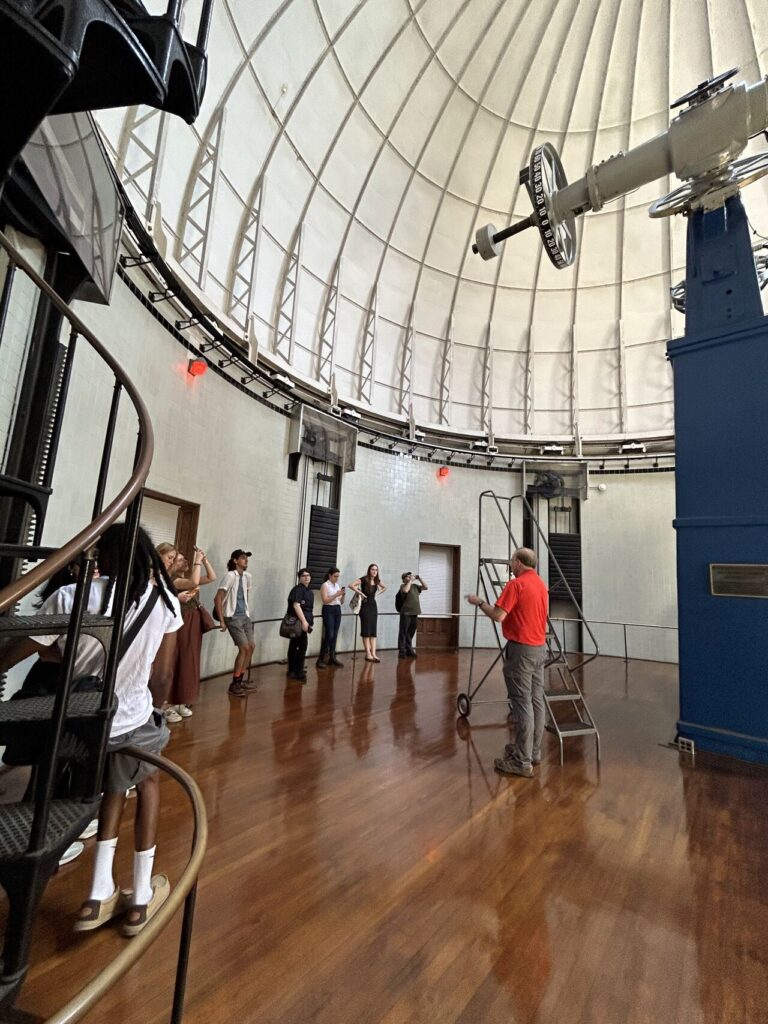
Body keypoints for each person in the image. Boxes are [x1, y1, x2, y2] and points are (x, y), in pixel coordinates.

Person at [0, 525, 182, 935]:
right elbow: (164, 676)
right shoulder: (164, 602)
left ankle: (99, 891)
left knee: (111, 789)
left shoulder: (72, 595)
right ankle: (138, 896)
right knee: (146, 782)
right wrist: (155, 710)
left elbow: (25, 648)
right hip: (131, 716)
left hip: (80, 722)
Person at [465, 547, 549, 778]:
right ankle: (532, 751)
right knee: (536, 700)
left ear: (519, 563)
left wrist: (479, 602)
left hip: (521, 650)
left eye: (512, 560)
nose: (510, 563)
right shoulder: (541, 584)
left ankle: (522, 762)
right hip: (539, 648)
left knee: (522, 704)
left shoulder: (516, 584)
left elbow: (499, 615)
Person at [165, 548, 216, 720]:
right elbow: (195, 582)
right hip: (181, 622)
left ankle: (180, 700)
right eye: (179, 559)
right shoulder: (172, 579)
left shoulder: (184, 579)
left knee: (188, 660)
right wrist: (197, 561)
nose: (184, 561)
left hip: (192, 621)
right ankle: (167, 704)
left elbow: (211, 577)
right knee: (176, 659)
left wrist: (205, 560)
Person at [214, 549, 255, 698]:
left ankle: (240, 679)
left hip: (245, 616)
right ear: (235, 560)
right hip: (232, 617)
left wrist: (246, 612)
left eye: (246, 558)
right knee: (244, 648)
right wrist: (222, 620)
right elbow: (218, 598)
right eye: (243, 558)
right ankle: (234, 683)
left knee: (251, 646)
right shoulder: (229, 576)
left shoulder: (247, 577)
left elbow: (245, 595)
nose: (246, 560)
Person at [349, 564, 386, 662]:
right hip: (364, 606)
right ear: (369, 570)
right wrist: (360, 593)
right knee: (366, 630)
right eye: (373, 569)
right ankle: (368, 654)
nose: (374, 571)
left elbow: (385, 587)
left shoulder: (377, 580)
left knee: (373, 631)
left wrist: (377, 594)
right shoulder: (364, 579)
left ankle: (373, 653)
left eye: (376, 570)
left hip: (373, 606)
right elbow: (351, 585)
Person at [286, 568, 314, 681]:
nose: (306, 577)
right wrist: (304, 621)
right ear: (299, 578)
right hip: (297, 623)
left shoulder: (309, 591)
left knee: (295, 645)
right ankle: (297, 671)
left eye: (308, 575)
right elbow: (296, 605)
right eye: (304, 575)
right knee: (301, 645)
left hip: (304, 622)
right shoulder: (298, 590)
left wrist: (308, 622)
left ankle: (294, 669)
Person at [317, 568, 346, 668]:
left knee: (335, 634)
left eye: (338, 576)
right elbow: (325, 600)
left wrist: (343, 595)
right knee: (329, 634)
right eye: (335, 576)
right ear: (330, 575)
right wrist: (336, 594)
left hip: (337, 609)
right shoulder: (325, 585)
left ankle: (332, 657)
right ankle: (321, 658)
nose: (337, 578)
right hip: (328, 609)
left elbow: (341, 602)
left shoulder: (337, 585)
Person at [397, 571, 428, 659]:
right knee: (403, 632)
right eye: (407, 576)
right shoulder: (403, 586)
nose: (410, 577)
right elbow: (406, 590)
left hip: (415, 612)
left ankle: (409, 649)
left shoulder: (415, 586)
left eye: (410, 576)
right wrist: (410, 580)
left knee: (411, 632)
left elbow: (426, 587)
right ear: (404, 579)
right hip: (406, 612)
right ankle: (402, 651)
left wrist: (419, 578)